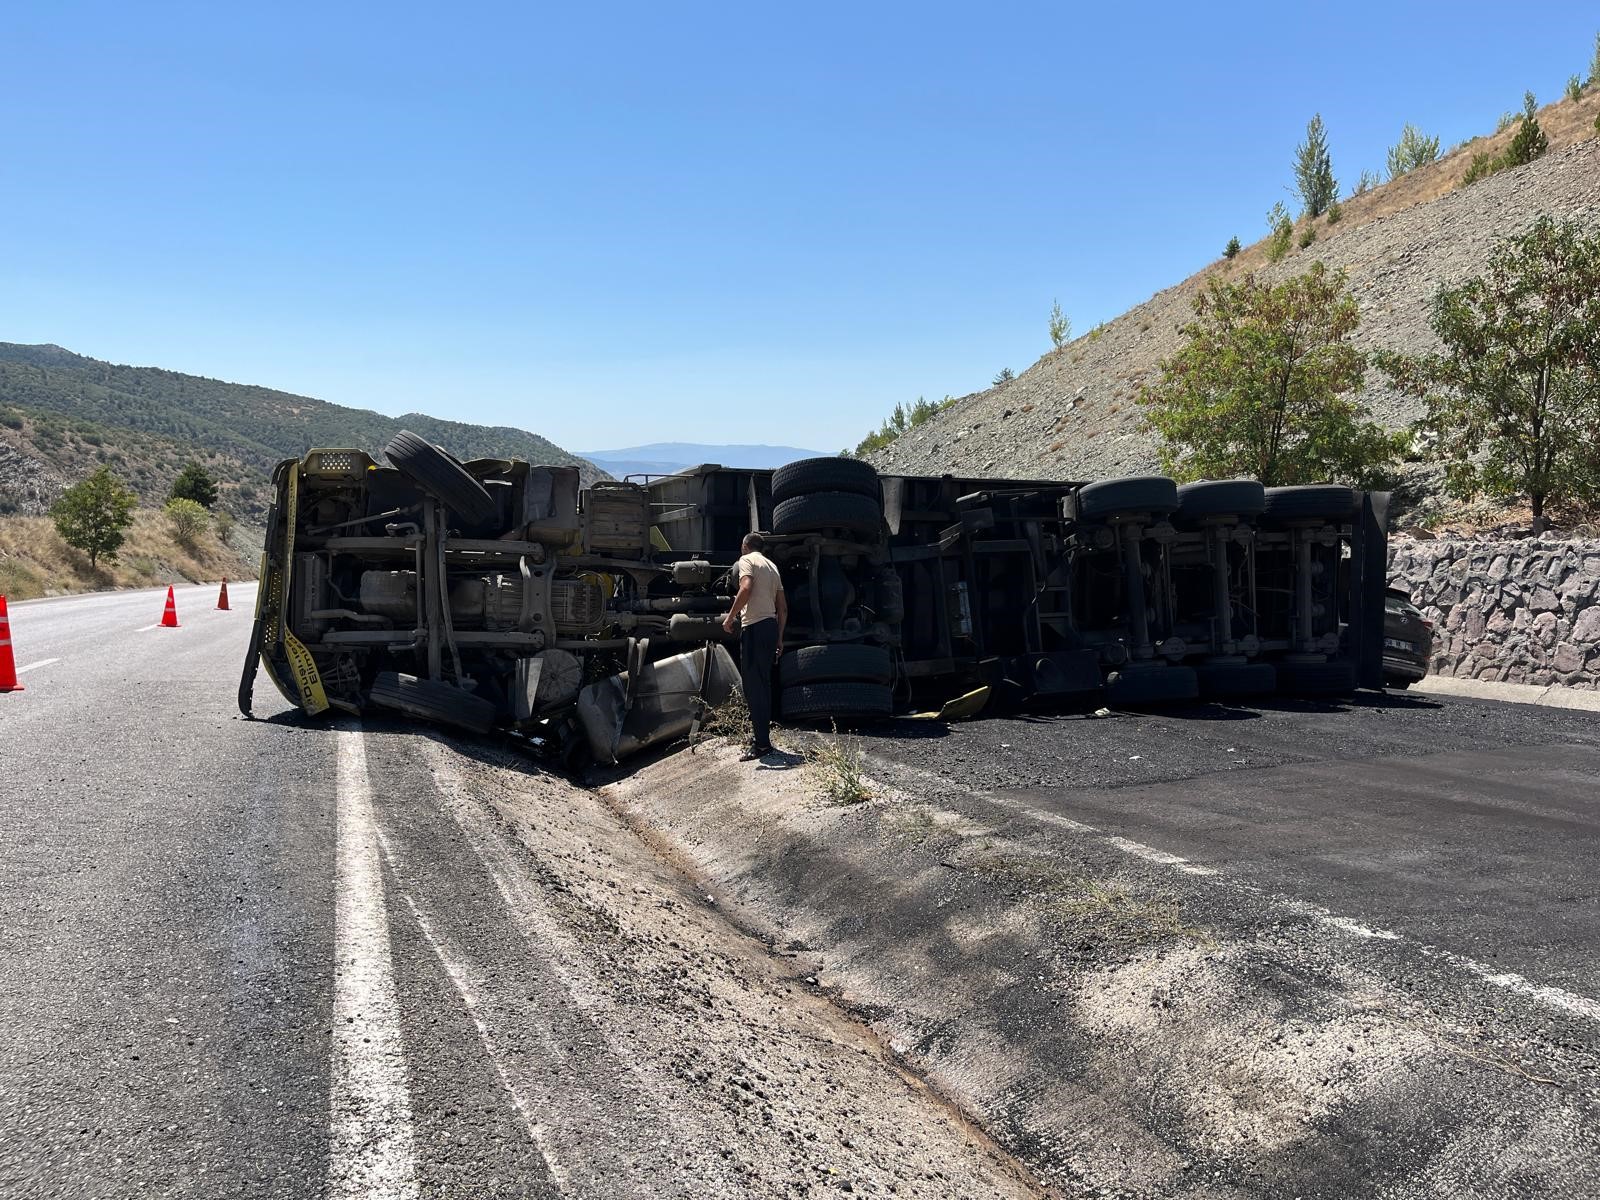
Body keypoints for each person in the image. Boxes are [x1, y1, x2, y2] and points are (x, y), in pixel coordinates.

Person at [722, 532, 786, 760]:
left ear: (744, 546)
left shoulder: (746, 561)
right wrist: (779, 637)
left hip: (755, 628)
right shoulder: (772, 567)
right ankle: (762, 739)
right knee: (763, 685)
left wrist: (730, 617)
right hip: (769, 628)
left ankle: (762, 745)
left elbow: (746, 587)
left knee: (752, 687)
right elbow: (782, 607)